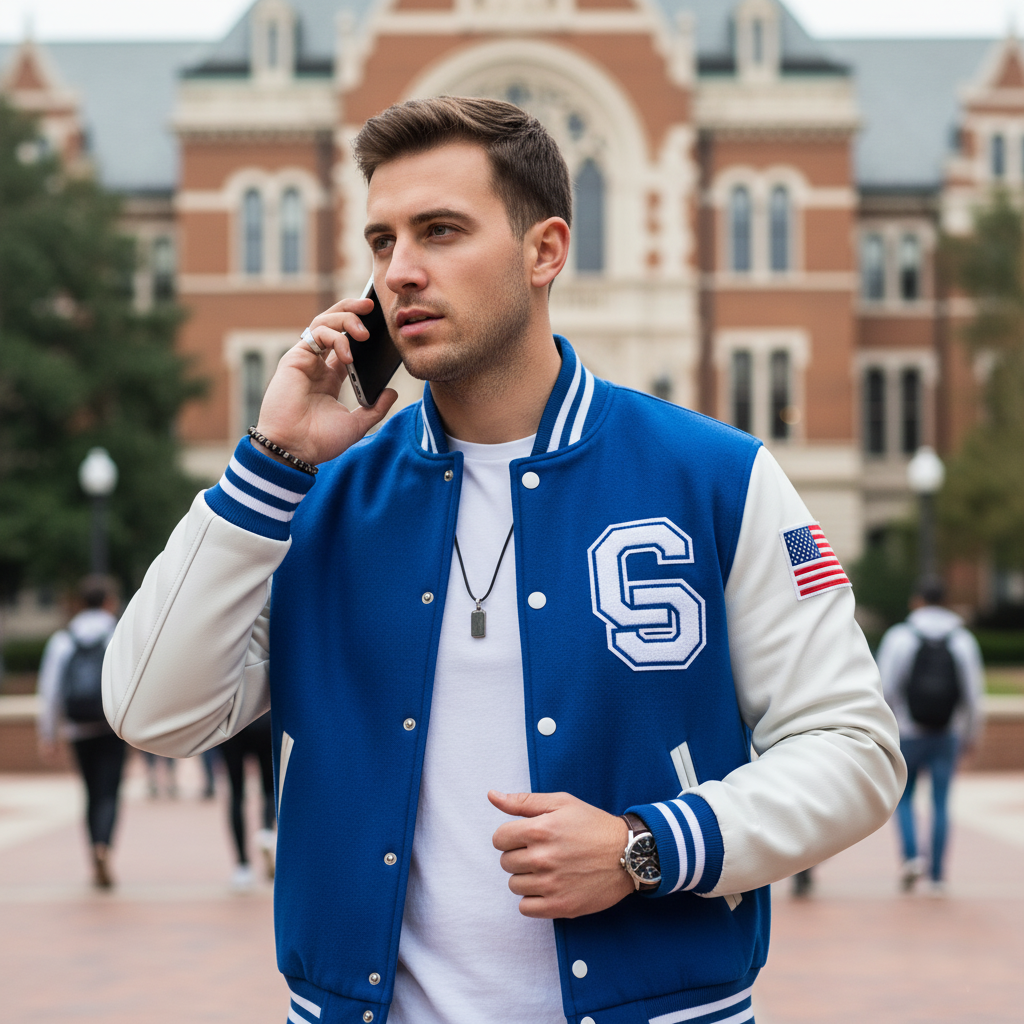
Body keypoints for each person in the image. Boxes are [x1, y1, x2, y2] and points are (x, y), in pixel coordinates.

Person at [104, 98, 904, 1024]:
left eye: (440, 231)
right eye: (381, 241)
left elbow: (852, 750)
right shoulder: (311, 501)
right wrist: (269, 465)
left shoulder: (714, 476)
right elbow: (149, 712)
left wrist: (649, 845)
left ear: (545, 251)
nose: (400, 272)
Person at [878, 578, 984, 895]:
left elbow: (884, 688)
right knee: (940, 803)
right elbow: (974, 695)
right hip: (946, 733)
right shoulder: (962, 640)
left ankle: (912, 858)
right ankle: (937, 874)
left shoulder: (900, 637)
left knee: (905, 799)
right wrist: (971, 734)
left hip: (908, 733)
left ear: (917, 601)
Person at [38, 575, 126, 889]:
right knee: (110, 792)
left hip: (78, 728)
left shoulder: (63, 640)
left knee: (90, 793)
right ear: (108, 602)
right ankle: (104, 845)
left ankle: (93, 851)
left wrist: (48, 735)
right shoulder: (117, 633)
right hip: (112, 727)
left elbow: (49, 692)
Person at [219, 711, 277, 889]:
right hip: (264, 719)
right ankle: (266, 830)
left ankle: (242, 866)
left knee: (236, 793)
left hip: (231, 722)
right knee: (269, 787)